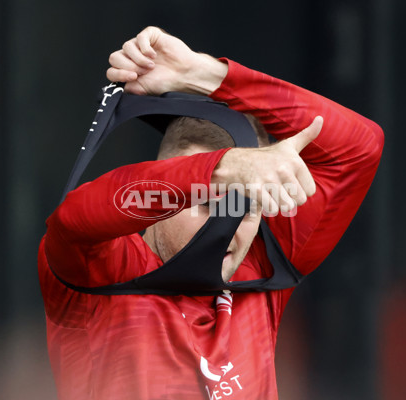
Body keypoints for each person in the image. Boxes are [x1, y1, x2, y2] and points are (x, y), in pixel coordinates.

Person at [38, 26, 384, 399]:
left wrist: (202, 75)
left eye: (242, 207)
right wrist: (224, 170)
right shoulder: (103, 269)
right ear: (163, 201)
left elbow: (359, 147)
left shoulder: (261, 268)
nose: (226, 229)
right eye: (205, 203)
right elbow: (74, 217)